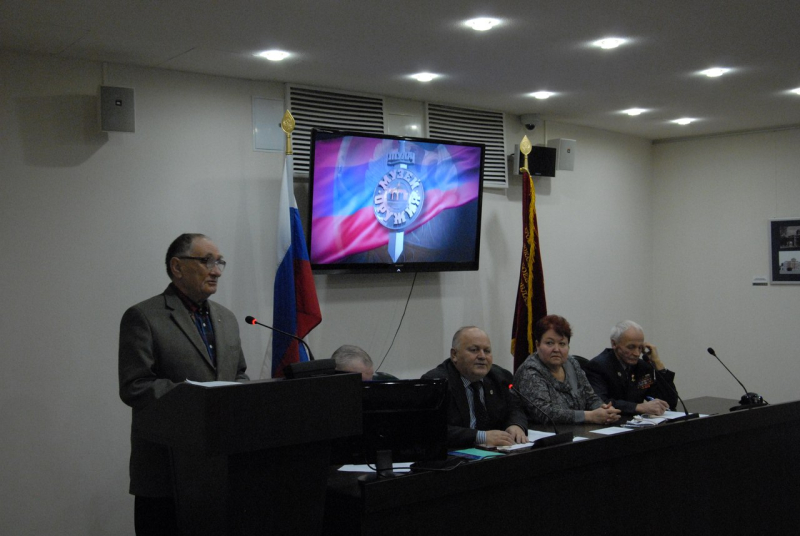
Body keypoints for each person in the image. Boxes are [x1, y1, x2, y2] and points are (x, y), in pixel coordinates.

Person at [118, 233, 248, 536]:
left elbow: (239, 374)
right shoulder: (144, 317)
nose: (216, 271)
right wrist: (199, 397)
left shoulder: (227, 318)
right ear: (177, 267)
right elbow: (135, 386)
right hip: (166, 472)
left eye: (220, 262)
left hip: (218, 469)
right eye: (207, 261)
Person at [422, 326, 528, 448]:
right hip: (454, 454)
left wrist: (516, 425)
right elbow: (431, 429)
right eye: (474, 350)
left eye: (487, 351)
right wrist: (480, 436)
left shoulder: (500, 377)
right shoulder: (436, 383)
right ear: (454, 355)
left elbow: (515, 408)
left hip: (497, 452)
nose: (482, 356)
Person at [513, 315, 621, 425]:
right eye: (549, 343)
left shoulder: (572, 363)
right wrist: (589, 416)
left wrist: (603, 409)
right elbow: (544, 413)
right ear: (538, 345)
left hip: (578, 430)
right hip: (545, 432)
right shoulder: (530, 371)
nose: (556, 349)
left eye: (562, 344)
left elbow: (590, 397)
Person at [584, 320, 678, 415]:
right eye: (631, 347)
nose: (637, 353)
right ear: (614, 344)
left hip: (638, 421)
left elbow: (669, 403)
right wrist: (638, 407)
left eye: (640, 348)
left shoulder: (642, 367)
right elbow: (600, 402)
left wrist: (657, 363)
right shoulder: (598, 366)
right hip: (611, 421)